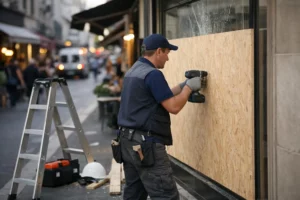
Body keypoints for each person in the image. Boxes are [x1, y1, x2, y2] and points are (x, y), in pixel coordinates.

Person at [117, 34, 202, 200]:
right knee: (165, 195)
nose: (168, 58)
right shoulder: (153, 74)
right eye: (167, 53)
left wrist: (183, 85)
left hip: (127, 143)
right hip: (146, 146)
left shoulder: (133, 71)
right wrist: (189, 89)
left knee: (134, 194)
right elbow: (174, 106)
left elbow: (161, 96)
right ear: (158, 51)